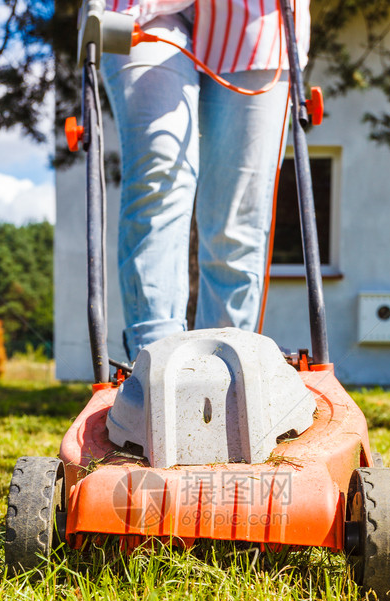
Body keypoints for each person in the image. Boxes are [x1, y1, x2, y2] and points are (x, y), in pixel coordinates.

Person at [101, 0, 309, 360]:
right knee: (160, 173)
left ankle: (226, 362)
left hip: (254, 19)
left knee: (238, 216)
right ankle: (155, 360)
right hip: (143, 12)